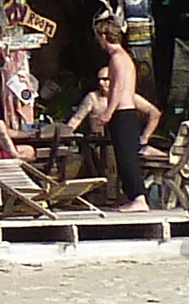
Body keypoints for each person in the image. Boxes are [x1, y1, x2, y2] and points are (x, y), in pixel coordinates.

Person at [64, 19, 161, 208]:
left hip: (123, 112)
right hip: (125, 112)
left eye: (98, 38)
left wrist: (108, 112)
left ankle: (139, 198)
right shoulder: (124, 57)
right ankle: (135, 197)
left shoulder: (117, 58)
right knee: (124, 156)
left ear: (103, 36)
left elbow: (117, 89)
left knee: (126, 158)